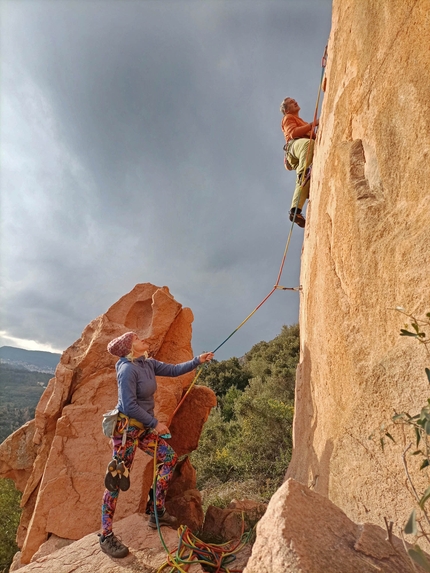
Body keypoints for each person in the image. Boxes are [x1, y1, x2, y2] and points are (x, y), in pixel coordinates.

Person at [98, 331, 214, 558]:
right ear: (131, 348)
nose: (143, 339)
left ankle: (156, 511)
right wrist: (154, 423)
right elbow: (129, 405)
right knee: (116, 479)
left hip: (142, 429)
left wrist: (197, 361)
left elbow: (172, 370)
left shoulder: (146, 363)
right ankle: (105, 534)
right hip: (127, 431)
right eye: (137, 339)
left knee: (168, 458)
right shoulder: (127, 369)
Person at [280, 97, 319, 228]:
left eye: (294, 101)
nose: (295, 102)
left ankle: (295, 211)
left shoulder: (301, 121)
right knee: (308, 145)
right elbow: (293, 133)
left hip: (301, 149)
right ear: (286, 110)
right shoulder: (288, 118)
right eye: (291, 102)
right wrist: (312, 125)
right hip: (295, 146)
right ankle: (303, 173)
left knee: (304, 179)